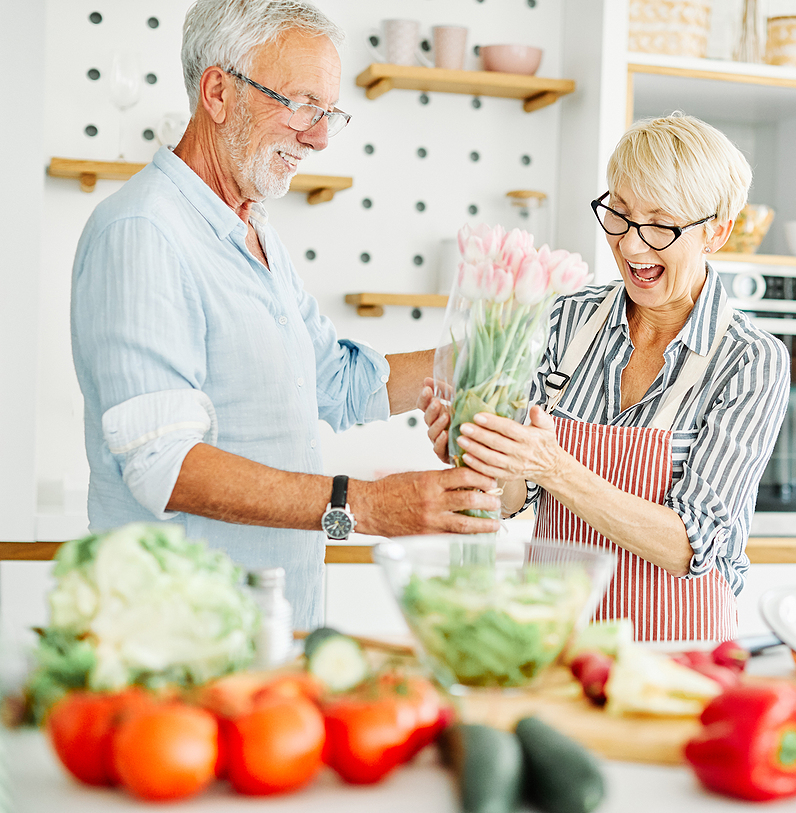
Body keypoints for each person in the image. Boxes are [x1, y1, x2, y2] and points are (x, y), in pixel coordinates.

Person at [70, 0, 500, 629]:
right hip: (176, 637)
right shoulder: (144, 232)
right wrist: (369, 506)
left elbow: (337, 383)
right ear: (218, 92)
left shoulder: (256, 236)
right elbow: (165, 466)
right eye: (301, 104)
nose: (320, 136)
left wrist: (483, 360)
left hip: (268, 628)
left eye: (329, 113)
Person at [420, 114, 790, 641]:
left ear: (717, 231)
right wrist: (484, 449)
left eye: (660, 225)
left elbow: (691, 545)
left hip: (675, 653)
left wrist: (553, 466)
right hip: (553, 637)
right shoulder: (567, 320)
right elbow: (514, 499)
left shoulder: (750, 361)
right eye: (618, 215)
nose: (632, 247)